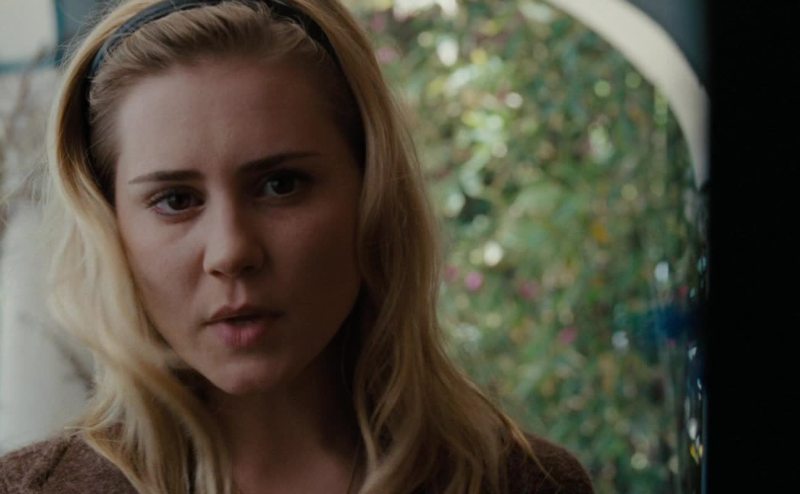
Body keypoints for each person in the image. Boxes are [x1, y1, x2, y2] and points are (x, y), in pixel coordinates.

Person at [0, 1, 594, 493]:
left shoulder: (524, 483)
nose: (231, 252)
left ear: (371, 193)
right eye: (176, 200)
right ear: (109, 225)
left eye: (280, 185)